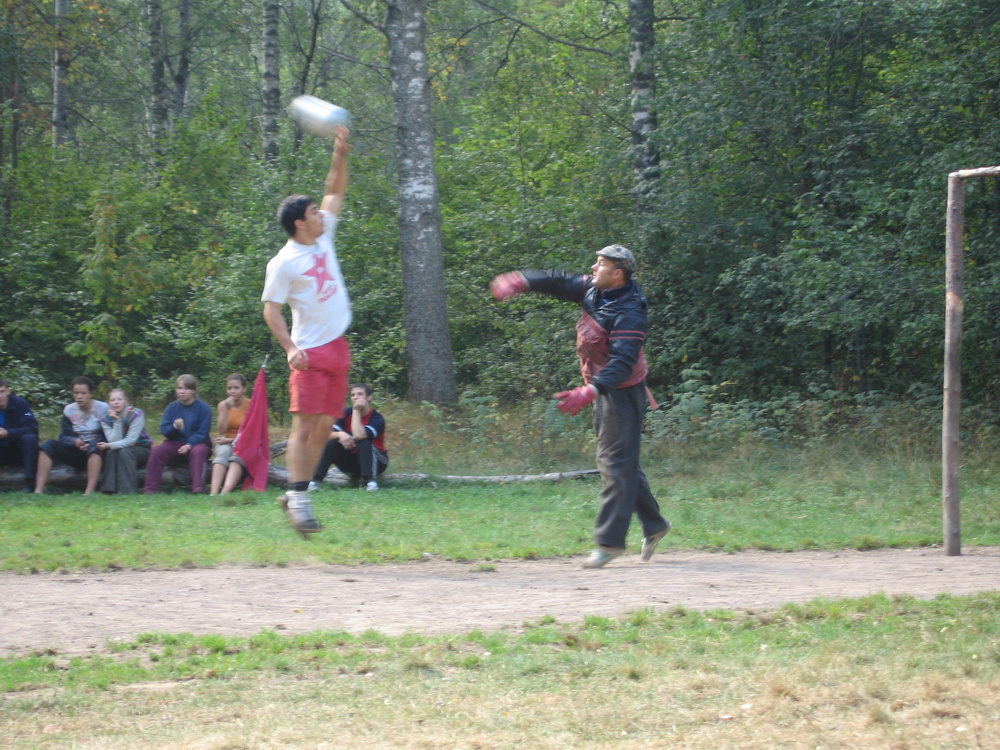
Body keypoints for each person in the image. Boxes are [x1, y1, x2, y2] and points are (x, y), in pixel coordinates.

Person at [490, 245, 671, 569]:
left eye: (600, 264)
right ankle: (655, 524)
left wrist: (589, 390)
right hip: (603, 387)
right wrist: (522, 280)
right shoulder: (595, 290)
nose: (593, 267)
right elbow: (559, 281)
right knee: (620, 459)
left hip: (622, 392)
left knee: (615, 462)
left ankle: (610, 543)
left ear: (617, 274)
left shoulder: (629, 311)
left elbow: (623, 361)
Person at [262, 126, 352, 536]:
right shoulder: (283, 262)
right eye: (314, 212)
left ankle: (296, 492)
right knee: (304, 427)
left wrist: (340, 152)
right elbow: (271, 310)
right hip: (310, 352)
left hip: (338, 347)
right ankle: (298, 497)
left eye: (319, 211)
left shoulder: (324, 235)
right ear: (300, 223)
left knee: (323, 428)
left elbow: (334, 190)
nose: (322, 214)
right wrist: (288, 347)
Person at [35, 376, 109, 495]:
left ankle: (89, 491)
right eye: (76, 393)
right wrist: (74, 441)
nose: (79, 396)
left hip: (99, 450)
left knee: (95, 446)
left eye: (83, 393)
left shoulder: (103, 408)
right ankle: (39, 489)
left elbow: (109, 434)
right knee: (47, 446)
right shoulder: (69, 410)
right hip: (76, 450)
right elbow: (63, 436)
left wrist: (91, 444)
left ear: (90, 394)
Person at [309, 383, 388, 492]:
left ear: (369, 398)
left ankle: (370, 481)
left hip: (377, 462)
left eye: (360, 394)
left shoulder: (377, 418)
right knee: (330, 442)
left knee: (364, 442)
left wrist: (356, 411)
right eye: (353, 395)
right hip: (351, 461)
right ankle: (316, 481)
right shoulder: (344, 413)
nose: (356, 397)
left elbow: (359, 435)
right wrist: (339, 434)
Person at [143, 374, 213, 494]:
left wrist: (189, 445)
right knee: (156, 451)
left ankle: (198, 489)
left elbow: (202, 433)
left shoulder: (203, 408)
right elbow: (165, 431)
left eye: (186, 389)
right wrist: (174, 427)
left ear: (193, 391)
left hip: (197, 444)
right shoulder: (171, 408)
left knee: (198, 451)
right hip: (176, 444)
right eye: (179, 388)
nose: (182, 391)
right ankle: (150, 489)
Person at [96, 388, 152, 494]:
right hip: (121, 448)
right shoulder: (105, 419)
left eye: (119, 399)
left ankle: (127, 490)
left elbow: (131, 440)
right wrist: (117, 421)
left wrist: (109, 445)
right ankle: (108, 488)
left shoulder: (136, 414)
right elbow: (113, 440)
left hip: (141, 448)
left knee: (124, 451)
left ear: (126, 401)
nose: (116, 402)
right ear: (109, 403)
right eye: (113, 400)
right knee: (111, 452)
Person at [209, 373, 250, 496]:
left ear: (244, 389)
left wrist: (228, 440)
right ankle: (213, 493)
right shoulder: (222, 405)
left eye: (236, 388)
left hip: (244, 443)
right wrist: (225, 409)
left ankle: (224, 493)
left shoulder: (251, 405)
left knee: (235, 459)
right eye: (229, 388)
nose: (232, 391)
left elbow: (250, 434)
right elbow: (221, 431)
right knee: (222, 454)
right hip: (227, 440)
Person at [0, 378, 40, 493]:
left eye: (2, 392)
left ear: (8, 391)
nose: (0, 396)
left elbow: (32, 429)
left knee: (29, 439)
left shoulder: (19, 404)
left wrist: (8, 433)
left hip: (17, 449)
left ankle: (30, 483)